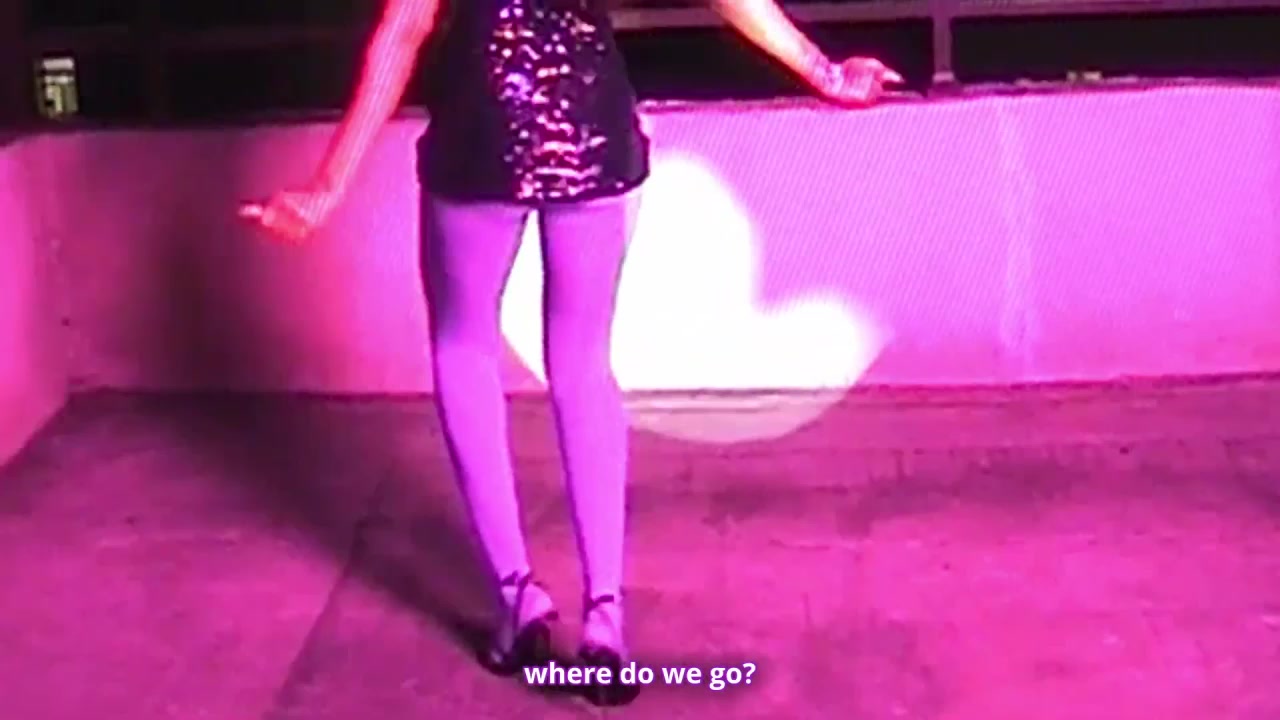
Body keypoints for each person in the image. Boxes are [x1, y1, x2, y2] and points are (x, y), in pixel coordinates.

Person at [240, 0, 900, 706]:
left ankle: (518, 602)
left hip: (480, 133)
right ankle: (605, 619)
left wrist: (327, 188)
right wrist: (826, 72)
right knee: (583, 363)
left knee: (463, 346)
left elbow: (403, 31)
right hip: (593, 126)